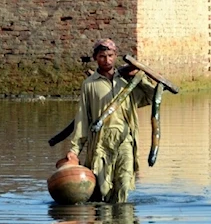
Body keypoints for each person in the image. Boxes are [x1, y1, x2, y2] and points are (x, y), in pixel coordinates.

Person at [66, 38, 155, 203]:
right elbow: (82, 119)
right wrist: (74, 150)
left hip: (125, 138)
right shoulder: (90, 85)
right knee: (104, 189)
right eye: (102, 56)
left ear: (116, 56)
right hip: (101, 142)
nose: (107, 60)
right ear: (95, 58)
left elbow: (152, 97)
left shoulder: (127, 81)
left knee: (124, 182)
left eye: (110, 55)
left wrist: (140, 77)